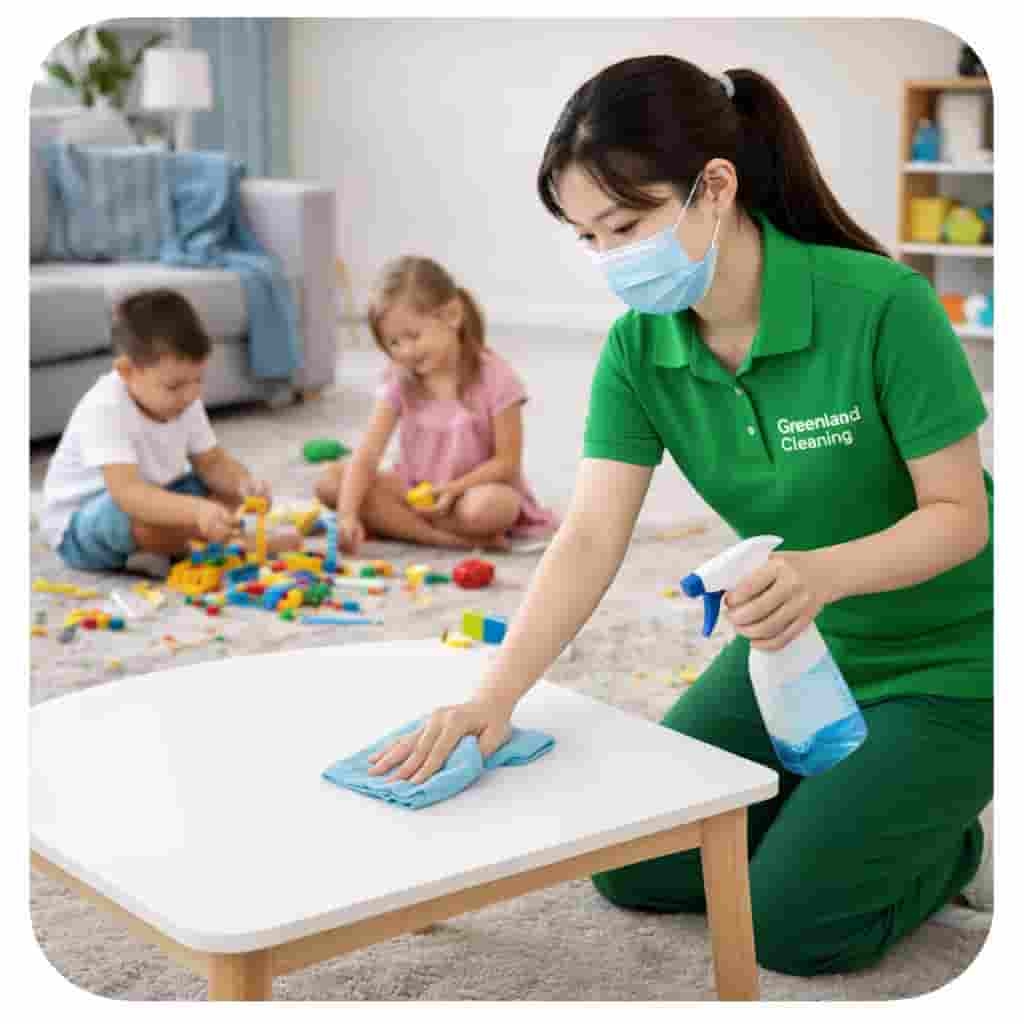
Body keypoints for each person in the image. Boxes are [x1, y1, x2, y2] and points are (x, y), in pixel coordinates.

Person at [364, 56, 993, 977]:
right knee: (636, 864)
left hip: (959, 657)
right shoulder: (638, 349)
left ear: (716, 186)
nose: (614, 257)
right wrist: (490, 701)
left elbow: (960, 517)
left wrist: (820, 574)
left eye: (628, 224)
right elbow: (586, 536)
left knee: (790, 925)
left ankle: (945, 848)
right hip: (798, 653)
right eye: (588, 237)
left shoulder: (882, 305)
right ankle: (844, 806)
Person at [41, 289, 296, 576]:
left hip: (156, 495)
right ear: (126, 371)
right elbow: (128, 493)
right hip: (85, 526)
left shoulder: (185, 397)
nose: (191, 395)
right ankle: (232, 545)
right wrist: (197, 511)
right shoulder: (106, 406)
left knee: (225, 492)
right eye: (175, 386)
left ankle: (168, 547)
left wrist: (243, 484)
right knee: (135, 514)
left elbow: (211, 462)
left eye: (198, 380)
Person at [315, 256, 558, 554]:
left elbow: (507, 464)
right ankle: (447, 540)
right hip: (414, 491)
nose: (406, 351)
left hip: (469, 492)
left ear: (452, 315)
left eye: (413, 336)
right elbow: (367, 454)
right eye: (393, 343)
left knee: (493, 508)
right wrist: (348, 516)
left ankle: (397, 524)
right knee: (331, 483)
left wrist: (453, 490)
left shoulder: (497, 377)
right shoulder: (399, 377)